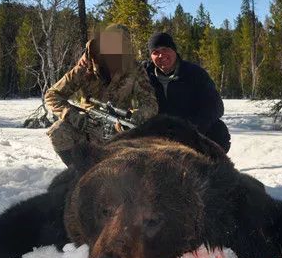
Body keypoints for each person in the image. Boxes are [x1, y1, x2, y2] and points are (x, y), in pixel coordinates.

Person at [44, 24, 158, 166]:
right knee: (58, 131)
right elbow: (52, 95)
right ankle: (78, 172)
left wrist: (135, 117)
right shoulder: (85, 67)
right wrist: (73, 116)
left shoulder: (134, 69)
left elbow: (150, 103)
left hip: (119, 129)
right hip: (86, 127)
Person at [142, 32, 231, 152]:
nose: (161, 55)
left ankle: (212, 167)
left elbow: (216, 107)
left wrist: (190, 129)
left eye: (165, 49)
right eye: (155, 52)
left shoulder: (194, 73)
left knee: (218, 131)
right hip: (157, 132)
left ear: (174, 50)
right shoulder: (143, 75)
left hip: (191, 129)